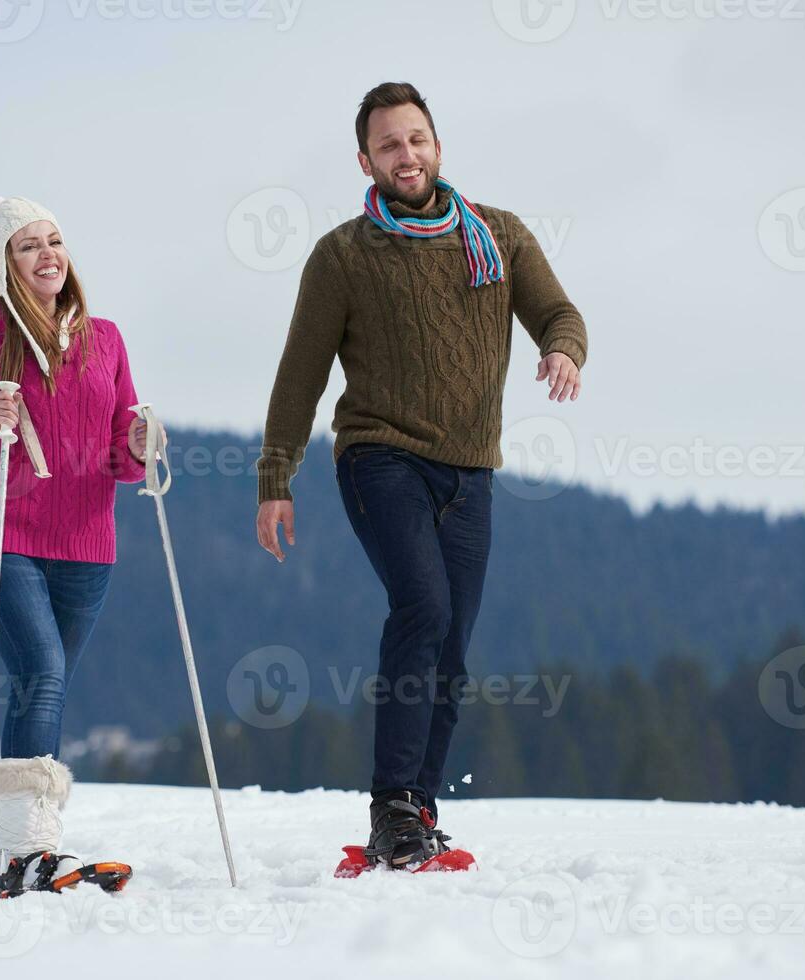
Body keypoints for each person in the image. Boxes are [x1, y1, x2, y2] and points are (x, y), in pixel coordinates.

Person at [254, 83, 587, 870]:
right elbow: (299, 374)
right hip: (380, 456)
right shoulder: (342, 254)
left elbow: (557, 313)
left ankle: (419, 811)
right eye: (389, 145)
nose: (406, 155)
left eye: (417, 139)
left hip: (470, 471)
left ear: (437, 146)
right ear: (364, 160)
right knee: (423, 607)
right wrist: (275, 476)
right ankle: (391, 805)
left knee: (453, 644)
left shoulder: (497, 236)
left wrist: (563, 348)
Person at [0, 196, 151, 888]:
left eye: (54, 240)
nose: (48, 254)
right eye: (28, 245)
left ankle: (18, 853)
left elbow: (122, 453)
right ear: (4, 261)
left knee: (42, 685)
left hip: (88, 541)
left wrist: (140, 446)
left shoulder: (105, 338)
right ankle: (27, 849)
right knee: (42, 670)